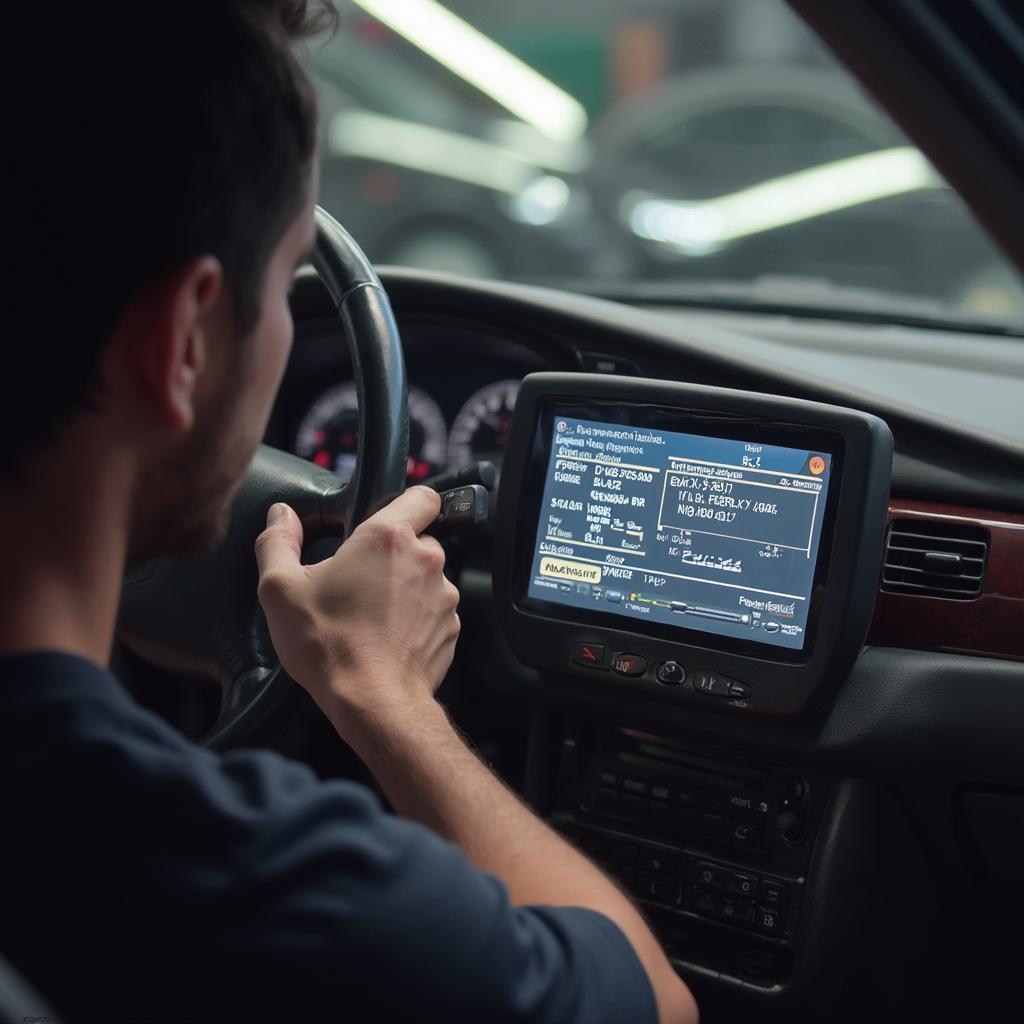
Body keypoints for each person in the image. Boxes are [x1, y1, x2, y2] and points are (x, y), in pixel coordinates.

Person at [0, 2, 698, 1022]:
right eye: (289, 282)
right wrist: (383, 691)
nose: (290, 320)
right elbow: (652, 1004)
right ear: (185, 341)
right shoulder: (224, 879)